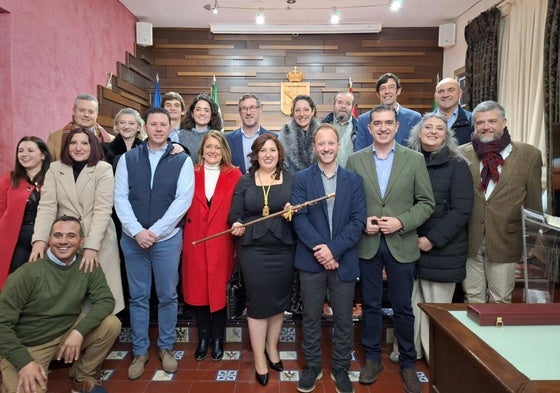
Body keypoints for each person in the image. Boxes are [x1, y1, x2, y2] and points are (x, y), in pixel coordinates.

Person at [346, 104, 434, 393]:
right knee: (370, 305)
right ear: (369, 128)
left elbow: (426, 203)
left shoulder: (414, 159)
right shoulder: (356, 160)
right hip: (368, 244)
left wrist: (401, 222)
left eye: (388, 123)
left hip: (402, 243)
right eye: (377, 123)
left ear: (398, 127)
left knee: (402, 308)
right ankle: (372, 358)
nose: (382, 128)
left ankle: (408, 362)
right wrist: (362, 224)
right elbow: (348, 204)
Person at [114, 107, 194, 380]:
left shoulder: (181, 159)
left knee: (168, 296)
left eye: (164, 124)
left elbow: (182, 200)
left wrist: (155, 232)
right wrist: (137, 231)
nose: (159, 128)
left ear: (171, 128)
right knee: (137, 296)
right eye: (153, 124)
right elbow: (120, 199)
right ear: (144, 127)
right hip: (133, 240)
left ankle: (167, 348)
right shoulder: (127, 159)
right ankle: (139, 350)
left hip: (167, 240)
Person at [0, 215, 121, 393]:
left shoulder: (87, 265)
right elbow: (2, 324)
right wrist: (23, 363)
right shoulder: (28, 272)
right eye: (57, 235)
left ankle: (81, 377)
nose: (63, 241)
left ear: (81, 241)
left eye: (71, 236)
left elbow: (106, 300)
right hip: (30, 344)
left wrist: (79, 331)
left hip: (67, 331)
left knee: (111, 324)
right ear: (49, 239)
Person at [292, 124, 366, 393]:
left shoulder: (353, 181)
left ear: (338, 145)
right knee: (310, 317)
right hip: (311, 261)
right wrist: (323, 252)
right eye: (320, 143)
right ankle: (312, 366)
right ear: (314, 147)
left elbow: (357, 221)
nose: (326, 148)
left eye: (330, 143)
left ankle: (340, 368)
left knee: (344, 319)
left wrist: (333, 251)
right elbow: (299, 219)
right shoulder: (302, 179)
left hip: (343, 260)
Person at [399, 113, 473, 362]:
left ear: (447, 134)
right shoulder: (407, 160)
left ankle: (437, 361)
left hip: (442, 250)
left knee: (436, 309)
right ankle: (412, 352)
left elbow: (461, 210)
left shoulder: (458, 164)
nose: (432, 131)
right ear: (418, 132)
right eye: (427, 127)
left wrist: (431, 240)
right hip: (409, 246)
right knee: (411, 304)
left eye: (439, 128)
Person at [30, 128, 124, 315]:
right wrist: (39, 240)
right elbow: (47, 207)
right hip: (65, 238)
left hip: (98, 237)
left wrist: (91, 246)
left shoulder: (103, 169)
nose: (78, 147)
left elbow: (102, 209)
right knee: (71, 298)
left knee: (101, 298)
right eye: (73, 143)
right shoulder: (55, 169)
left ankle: (102, 337)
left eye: (84, 143)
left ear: (93, 146)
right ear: (67, 146)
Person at [228, 134, 296, 386]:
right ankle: (259, 357)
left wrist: (293, 210)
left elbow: (301, 210)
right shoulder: (244, 181)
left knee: (278, 301)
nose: (268, 154)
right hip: (253, 250)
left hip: (283, 248)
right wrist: (236, 223)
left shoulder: (291, 179)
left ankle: (272, 348)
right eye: (263, 150)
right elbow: (235, 213)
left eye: (273, 150)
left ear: (280, 153)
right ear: (255, 155)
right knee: (257, 302)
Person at [461, 100, 542, 303]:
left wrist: (529, 241)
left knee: (500, 300)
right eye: (480, 122)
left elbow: (533, 204)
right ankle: (472, 336)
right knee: (472, 297)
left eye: (492, 121)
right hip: (470, 239)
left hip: (506, 240)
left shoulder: (528, 155)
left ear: (504, 122)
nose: (485, 126)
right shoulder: (462, 154)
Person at [182, 130, 242, 362]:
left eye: (217, 147)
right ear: (202, 150)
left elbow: (239, 207)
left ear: (224, 150)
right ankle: (203, 338)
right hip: (195, 240)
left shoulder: (234, 174)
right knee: (198, 292)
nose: (213, 151)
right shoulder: (190, 172)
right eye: (209, 147)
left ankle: (218, 339)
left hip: (221, 242)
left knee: (218, 292)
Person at [0, 137, 52, 289]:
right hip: (14, 241)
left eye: (30, 150)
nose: (24, 154)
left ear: (43, 155)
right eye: (20, 151)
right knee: (14, 283)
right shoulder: (9, 179)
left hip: (46, 238)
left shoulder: (53, 178)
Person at [355, 73, 421, 150]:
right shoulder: (364, 120)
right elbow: (360, 152)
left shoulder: (414, 118)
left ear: (398, 91)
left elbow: (417, 150)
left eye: (391, 87)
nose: (387, 91)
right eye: (383, 88)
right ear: (377, 94)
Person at [47, 94, 114, 161]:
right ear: (73, 111)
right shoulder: (55, 137)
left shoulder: (110, 140)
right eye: (81, 110)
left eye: (91, 112)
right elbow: (47, 167)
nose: (86, 115)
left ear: (96, 114)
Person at [226, 94, 273, 174]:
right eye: (244, 108)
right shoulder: (227, 139)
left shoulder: (273, 138)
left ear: (260, 109)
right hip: (237, 185)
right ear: (239, 112)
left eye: (252, 108)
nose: (248, 112)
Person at [279, 95, 321, 173]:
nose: (302, 114)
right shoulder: (284, 135)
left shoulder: (322, 133)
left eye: (306, 110)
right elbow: (281, 165)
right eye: (297, 110)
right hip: (293, 182)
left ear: (312, 111)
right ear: (293, 113)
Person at [180, 94, 223, 161]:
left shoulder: (219, 137)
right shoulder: (180, 136)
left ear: (212, 115)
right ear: (192, 114)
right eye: (198, 109)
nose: (202, 113)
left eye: (206, 110)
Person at [321, 91, 359, 167]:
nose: (343, 106)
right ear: (334, 104)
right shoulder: (322, 127)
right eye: (340, 102)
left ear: (353, 106)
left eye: (348, 103)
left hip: (352, 175)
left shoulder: (360, 128)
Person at [433, 78, 473, 145]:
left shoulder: (472, 120)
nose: (445, 95)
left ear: (460, 93)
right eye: (441, 91)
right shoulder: (424, 122)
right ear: (435, 97)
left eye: (451, 90)